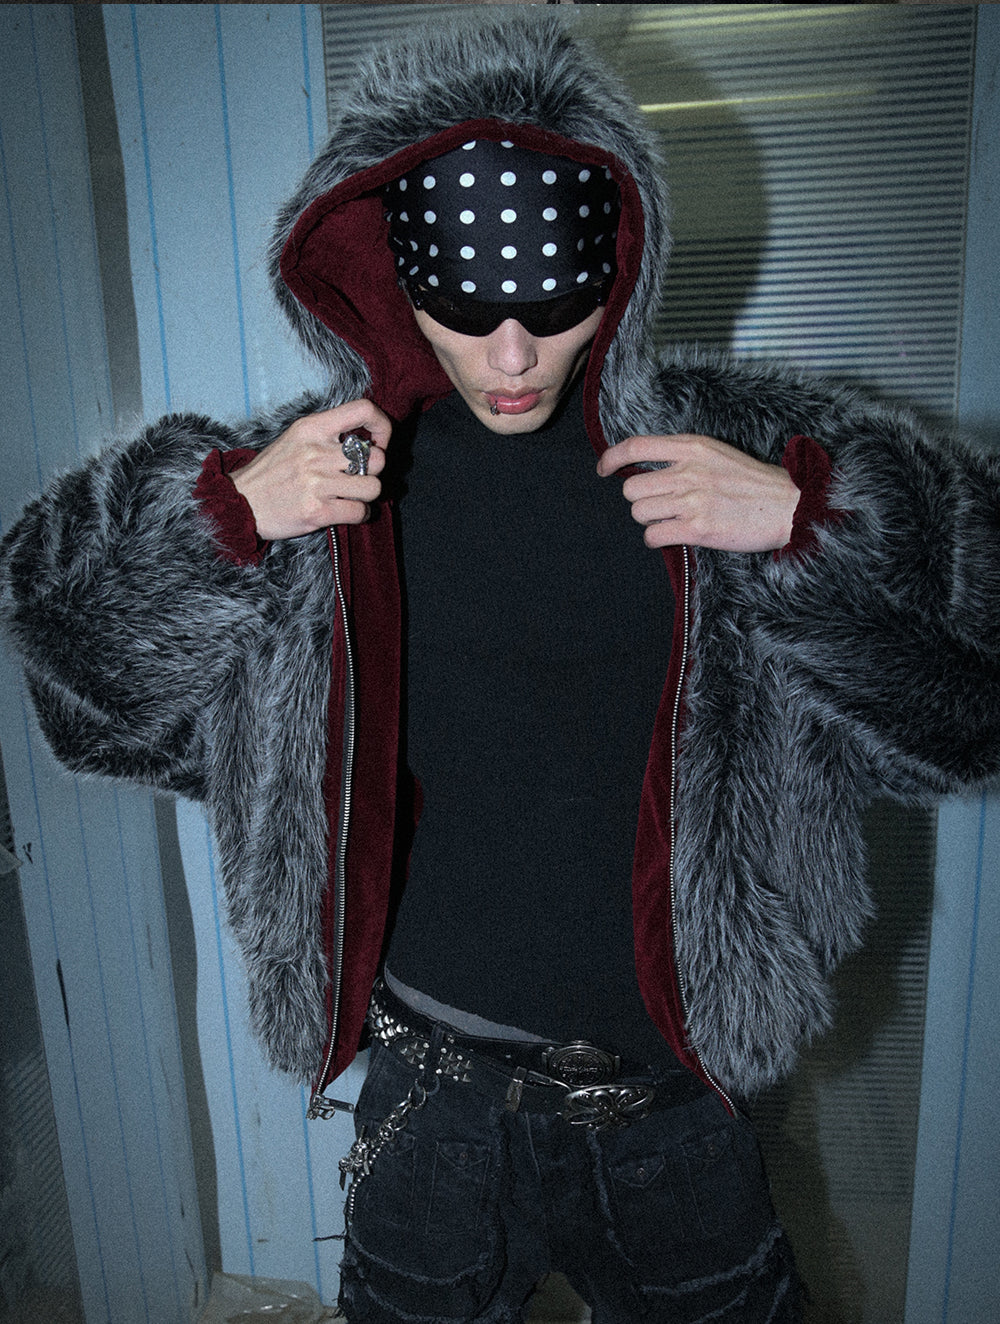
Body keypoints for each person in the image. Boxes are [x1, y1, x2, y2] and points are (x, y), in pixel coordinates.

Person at [2, 12, 999, 1322]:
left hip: (678, 1106)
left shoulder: (746, 460)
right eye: (469, 308)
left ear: (621, 261)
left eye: (554, 302)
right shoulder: (322, 479)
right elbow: (79, 693)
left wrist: (829, 526)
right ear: (389, 267)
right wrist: (217, 523)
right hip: (435, 1109)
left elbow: (972, 707)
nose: (513, 356)